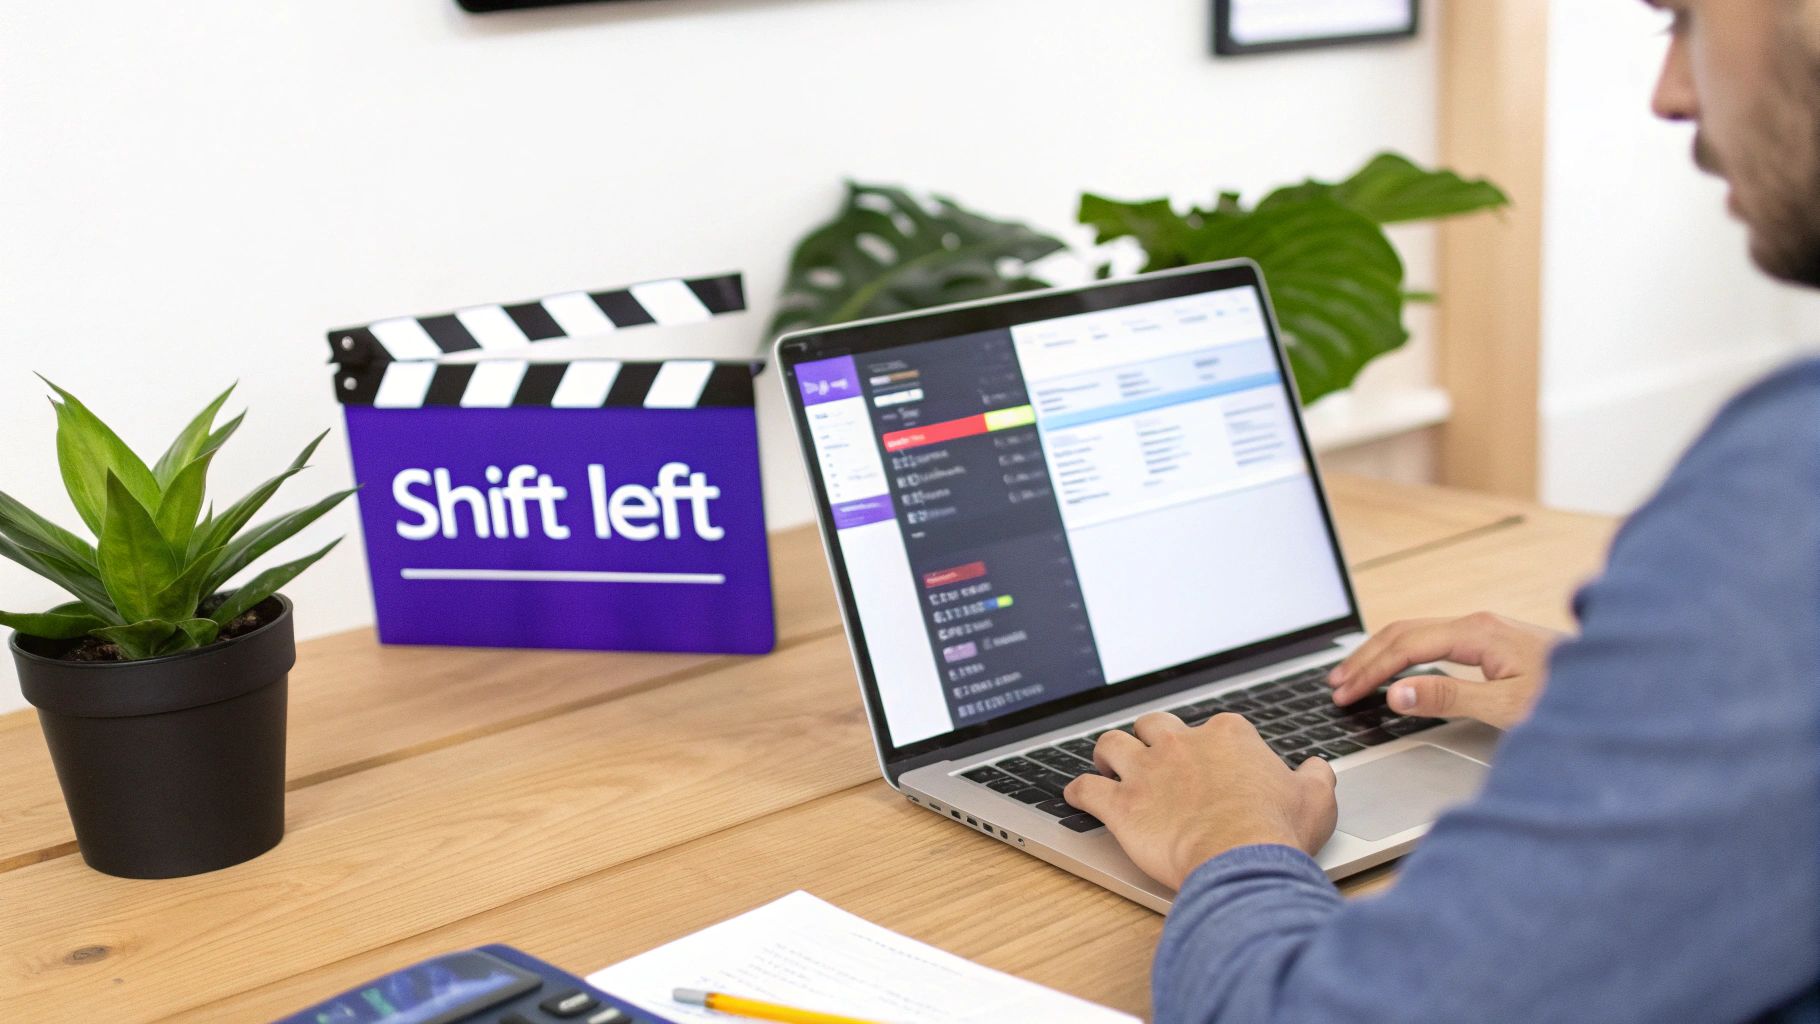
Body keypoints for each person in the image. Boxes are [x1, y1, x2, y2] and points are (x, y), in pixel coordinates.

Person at [1062, 1, 1820, 1020]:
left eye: (1683, 17)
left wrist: (1227, 834)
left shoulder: (1787, 493)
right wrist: (1663, 704)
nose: (1668, 93)